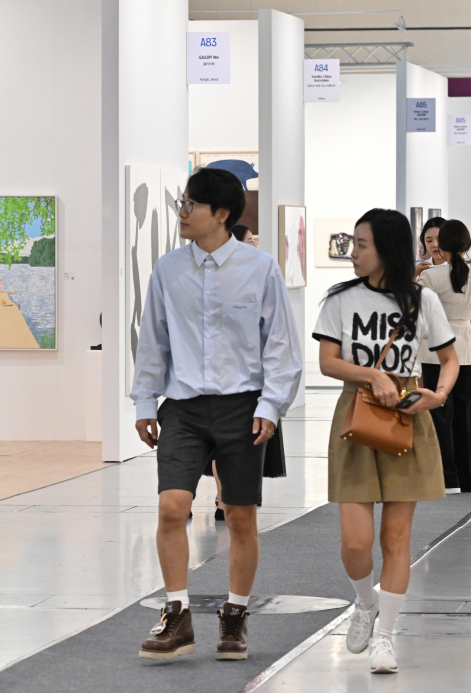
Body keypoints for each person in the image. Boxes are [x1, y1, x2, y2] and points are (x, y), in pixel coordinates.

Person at [130, 167, 302, 662]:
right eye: (181, 203)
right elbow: (153, 339)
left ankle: (235, 615)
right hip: (182, 408)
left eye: (191, 205)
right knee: (171, 507)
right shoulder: (167, 269)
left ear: (221, 214)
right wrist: (145, 402)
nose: (182, 213)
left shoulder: (260, 267)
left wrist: (271, 406)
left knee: (241, 517)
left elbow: (281, 347)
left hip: (243, 408)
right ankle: (177, 615)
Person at [312, 208, 459, 674]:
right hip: (357, 412)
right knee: (355, 543)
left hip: (406, 415)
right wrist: (371, 373)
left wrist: (438, 395)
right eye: (353, 243)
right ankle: (364, 601)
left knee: (396, 539)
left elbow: (450, 359)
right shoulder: (340, 299)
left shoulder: (422, 301)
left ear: (386, 250)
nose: (352, 252)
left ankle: (386, 637)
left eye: (361, 244)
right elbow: (328, 362)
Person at [418, 219, 471, 493]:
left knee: (439, 414)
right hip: (466, 347)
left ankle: (447, 478)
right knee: (464, 413)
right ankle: (470, 478)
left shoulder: (431, 276)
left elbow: (416, 308)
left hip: (435, 348)